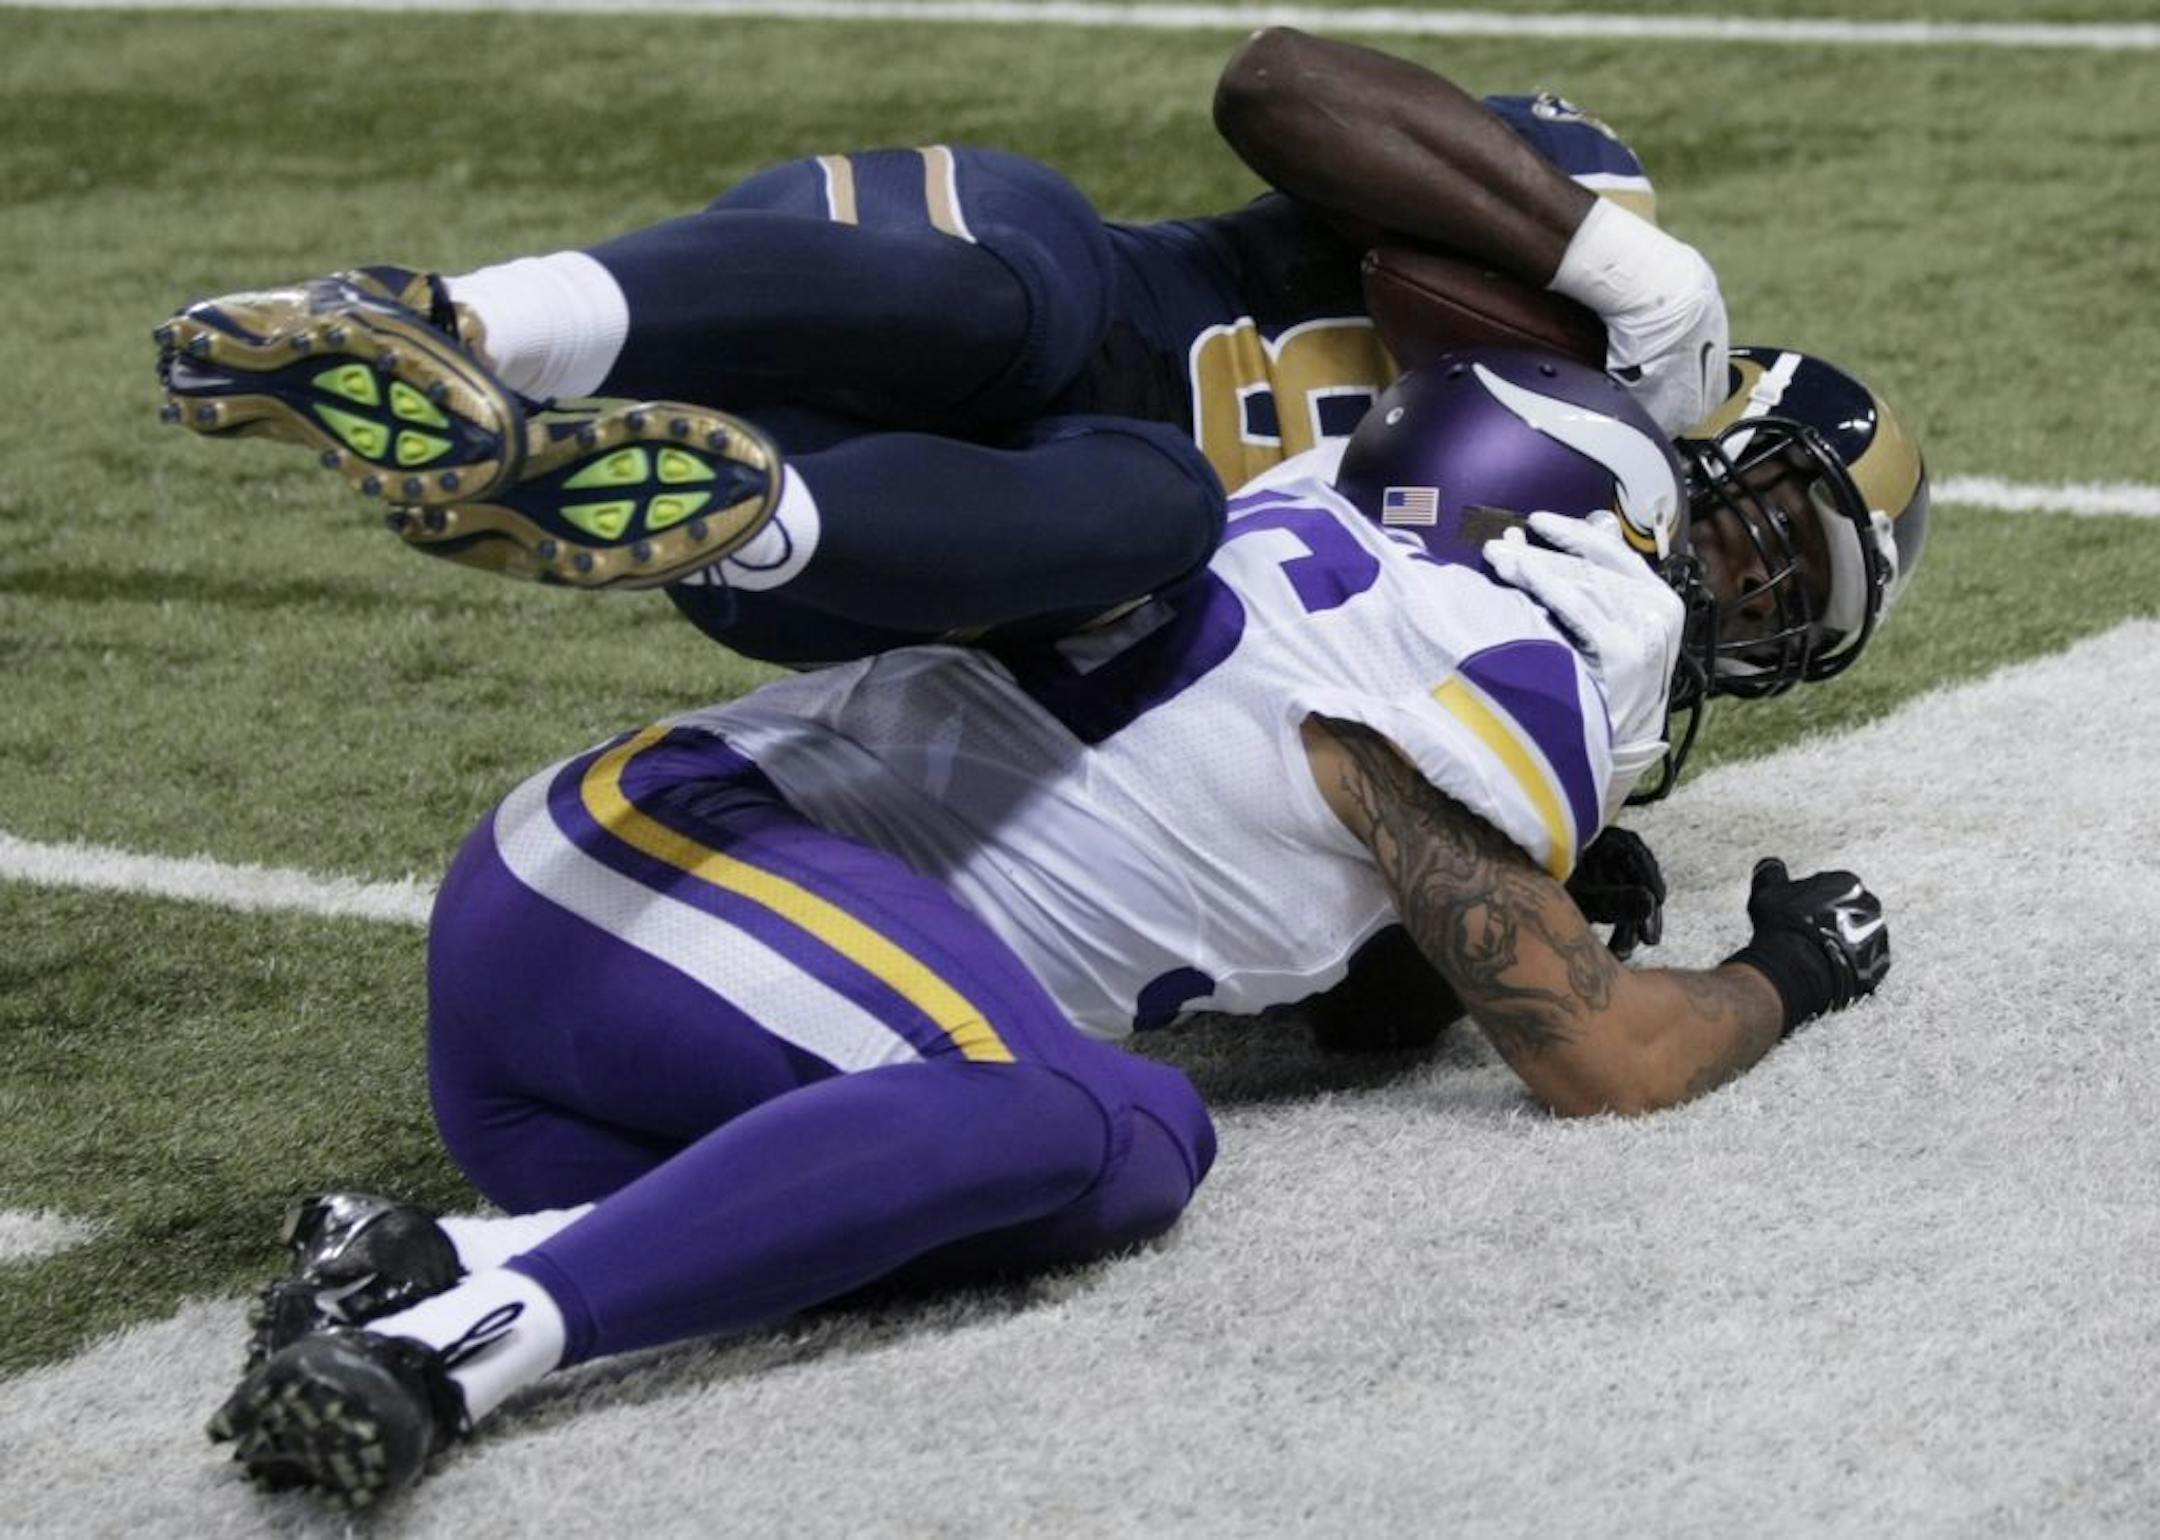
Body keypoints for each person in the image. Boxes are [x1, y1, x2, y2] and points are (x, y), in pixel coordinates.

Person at [205, 352, 1909, 1511]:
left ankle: (468, 1255)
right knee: (1092, 1108)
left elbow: (1364, 1004)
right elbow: (1608, 1060)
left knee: (1117, 1167)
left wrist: (1524, 911)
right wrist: (1785, 975)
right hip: (663, 877)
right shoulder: (1531, 639)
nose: (1716, 585)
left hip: (605, 1021)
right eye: (1712, 540)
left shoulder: (1336, 556)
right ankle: (451, 1357)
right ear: (1588, 521)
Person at [155, 29, 1729, 668]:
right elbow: (1275, 83)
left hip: (906, 535)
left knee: (1161, 524)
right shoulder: (1331, 220)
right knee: (1016, 314)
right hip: (942, 271)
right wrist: (1616, 265)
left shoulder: (1536, 493)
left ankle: (647, 494)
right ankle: (455, 321)